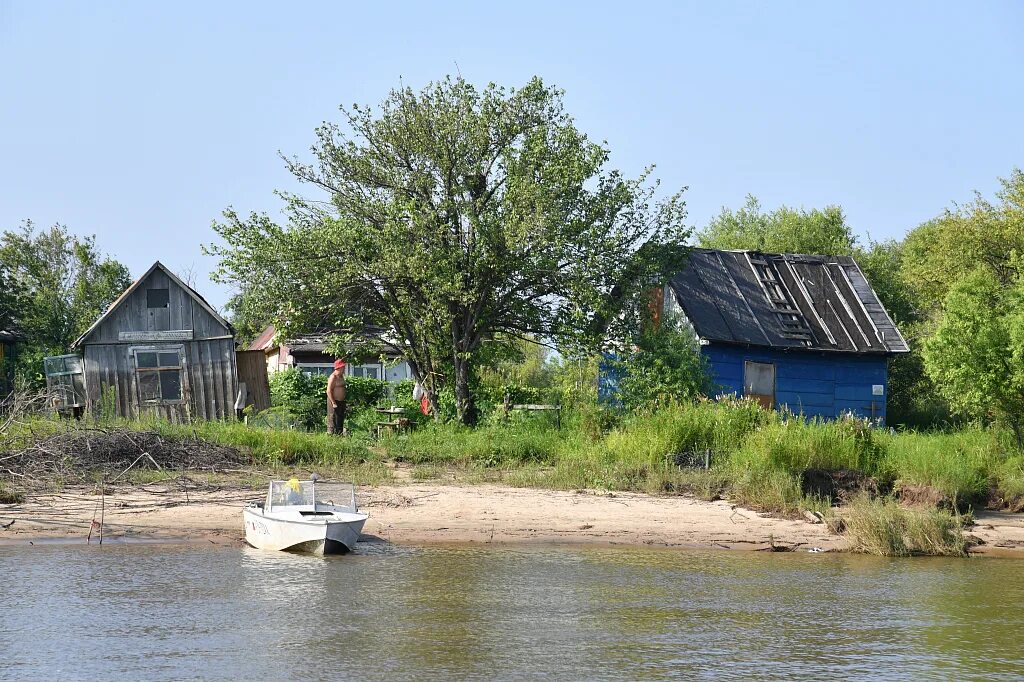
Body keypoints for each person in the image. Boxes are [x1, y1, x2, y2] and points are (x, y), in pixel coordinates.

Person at [326, 359, 347, 435]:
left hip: (341, 402)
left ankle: (339, 435)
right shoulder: (333, 377)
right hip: (334, 401)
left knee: (340, 420)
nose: (344, 369)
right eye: (343, 367)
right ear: (339, 367)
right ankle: (331, 436)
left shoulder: (341, 376)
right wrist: (333, 402)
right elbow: (328, 391)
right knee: (333, 420)